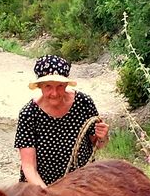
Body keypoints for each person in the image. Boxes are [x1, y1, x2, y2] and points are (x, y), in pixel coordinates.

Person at [14, 54, 110, 188]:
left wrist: (103, 137)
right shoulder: (28, 114)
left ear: (66, 84)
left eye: (59, 86)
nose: (54, 93)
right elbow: (29, 167)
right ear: (40, 86)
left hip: (79, 185)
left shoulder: (84, 103)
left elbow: (97, 145)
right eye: (48, 86)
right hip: (39, 189)